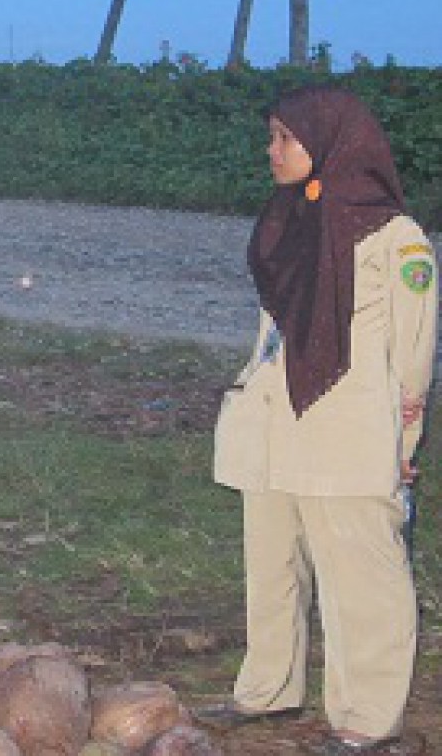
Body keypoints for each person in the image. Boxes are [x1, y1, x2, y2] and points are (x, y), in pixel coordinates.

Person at [198, 85, 436, 755]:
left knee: (360, 577)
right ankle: (268, 690)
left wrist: (403, 445)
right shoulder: (288, 221)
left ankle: (366, 716)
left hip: (346, 434)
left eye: (284, 138)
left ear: (331, 141)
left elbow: (413, 360)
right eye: (271, 136)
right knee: (269, 564)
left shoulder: (396, 238)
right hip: (275, 424)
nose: (271, 151)